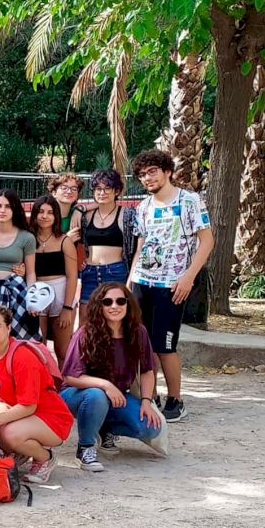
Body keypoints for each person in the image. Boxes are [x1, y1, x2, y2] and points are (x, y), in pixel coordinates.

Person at [128, 149, 213, 422]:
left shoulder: (189, 200)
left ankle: (175, 400)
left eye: (152, 171)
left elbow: (207, 241)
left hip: (172, 283)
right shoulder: (143, 207)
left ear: (167, 171)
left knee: (165, 344)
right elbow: (141, 245)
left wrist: (188, 277)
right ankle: (150, 396)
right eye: (142, 174)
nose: (147, 178)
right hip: (143, 281)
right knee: (144, 344)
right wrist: (130, 282)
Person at [60, 282, 165, 472]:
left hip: (116, 396)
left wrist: (146, 401)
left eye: (120, 301)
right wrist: (106, 385)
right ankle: (85, 448)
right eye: (107, 302)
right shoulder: (85, 333)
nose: (114, 306)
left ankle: (104, 428)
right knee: (96, 395)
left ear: (128, 304)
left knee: (150, 427)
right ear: (99, 305)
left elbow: (147, 370)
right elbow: (70, 377)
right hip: (78, 394)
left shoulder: (138, 332)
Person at [0, 306, 73, 484]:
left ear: (8, 328)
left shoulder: (22, 357)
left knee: (10, 434)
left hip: (48, 417)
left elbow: (29, 406)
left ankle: (45, 457)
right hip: (14, 414)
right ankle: (17, 451)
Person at [69, 169, 136, 304]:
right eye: (98, 189)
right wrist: (79, 209)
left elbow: (136, 249)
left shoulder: (127, 215)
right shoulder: (86, 217)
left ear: (116, 191)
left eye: (107, 188)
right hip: (89, 272)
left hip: (116, 272)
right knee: (86, 312)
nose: (102, 193)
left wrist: (131, 279)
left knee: (114, 312)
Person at [0, 189, 39, 339]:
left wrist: (33, 300)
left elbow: (31, 272)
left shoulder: (27, 237)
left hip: (16, 290)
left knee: (19, 337)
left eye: (8, 206)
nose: (2, 210)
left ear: (15, 209)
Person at [30, 195, 79, 361]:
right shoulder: (28, 240)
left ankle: (64, 379)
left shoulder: (64, 241)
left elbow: (72, 275)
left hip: (61, 294)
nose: (45, 216)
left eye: (50, 212)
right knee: (39, 348)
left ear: (56, 215)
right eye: (41, 211)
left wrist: (67, 308)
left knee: (63, 351)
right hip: (37, 295)